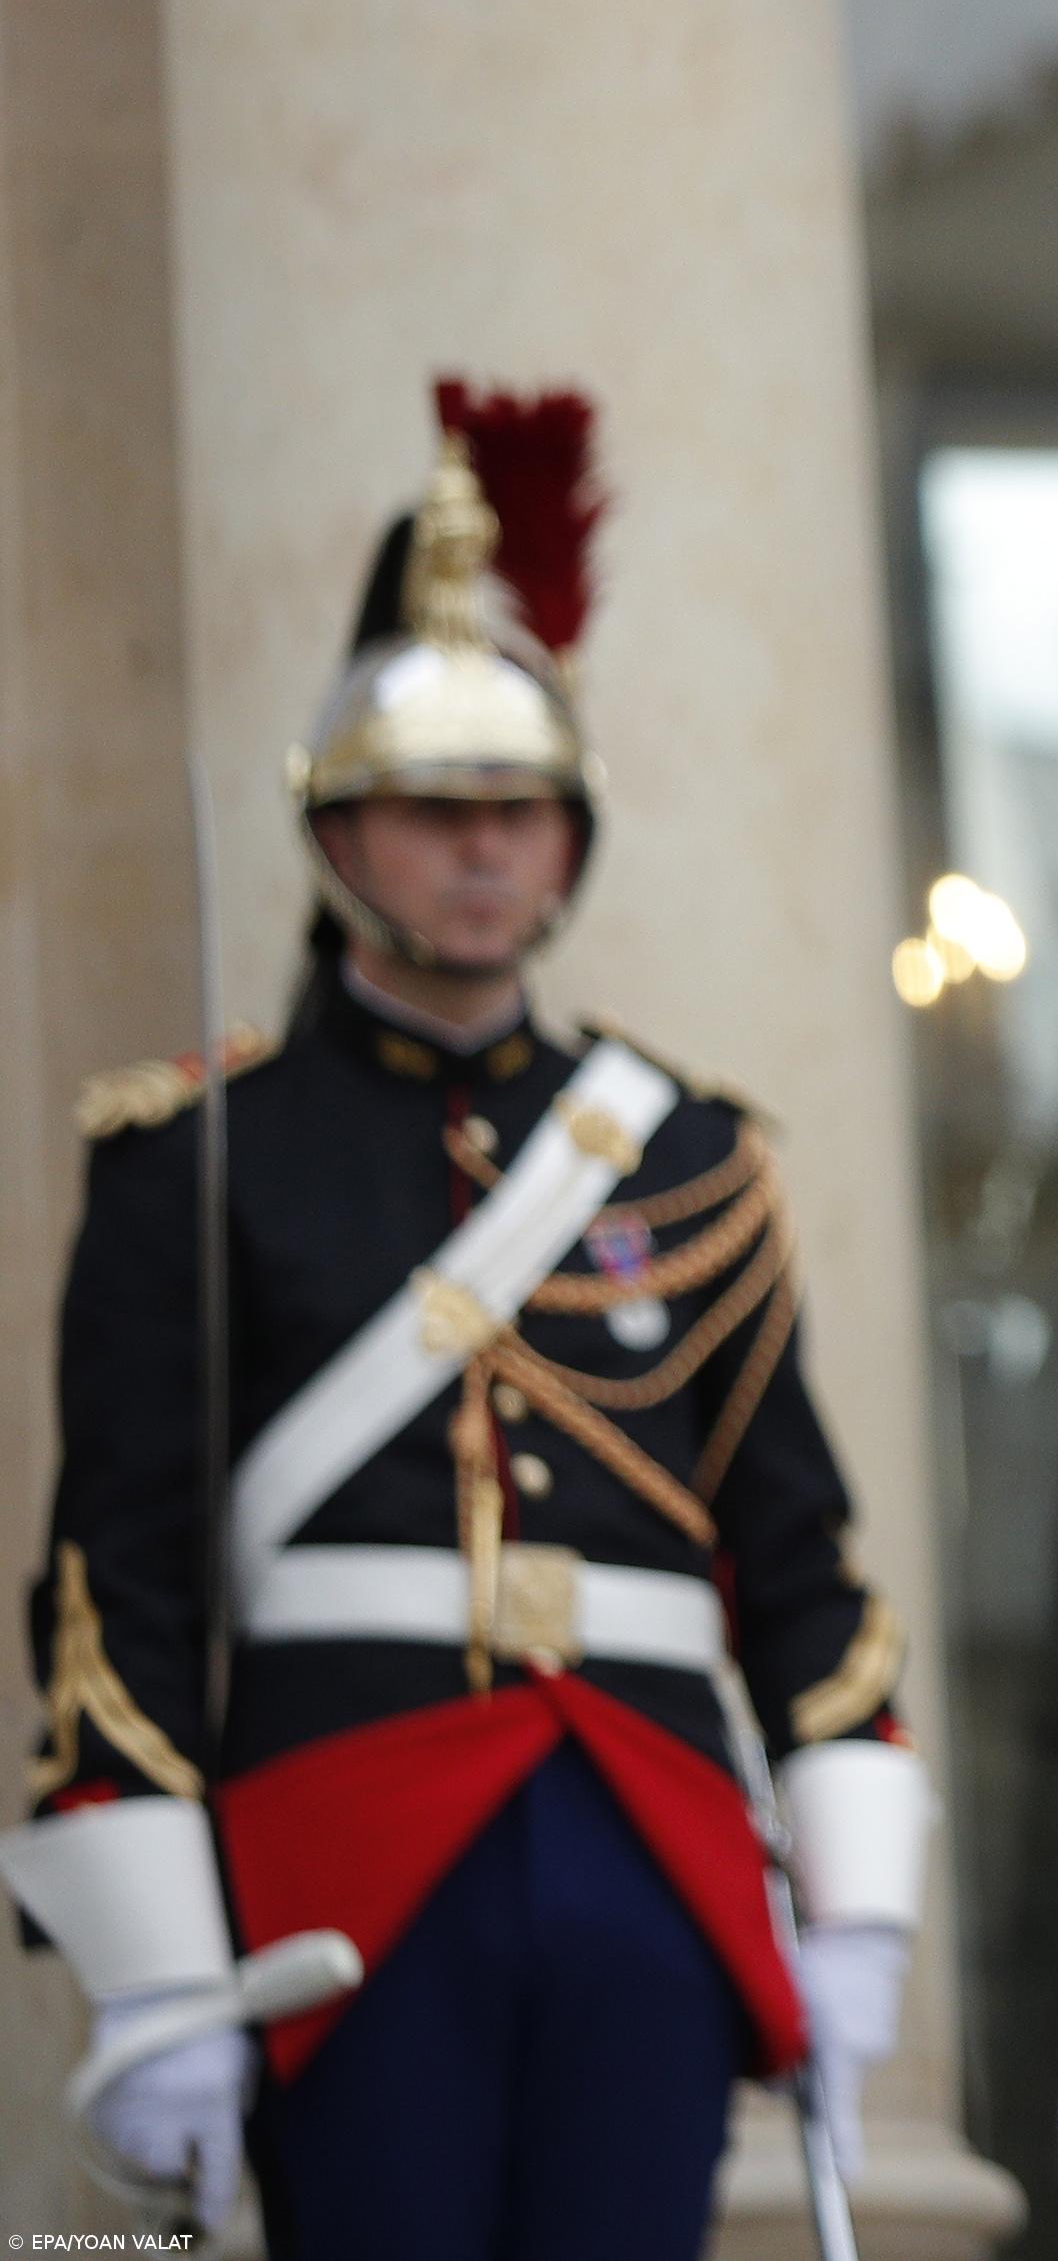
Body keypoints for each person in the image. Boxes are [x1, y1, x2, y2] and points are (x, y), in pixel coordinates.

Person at [3, 392, 935, 2254]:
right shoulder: (194, 1155)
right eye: (437, 814)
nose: (486, 856)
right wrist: (164, 1974)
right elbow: (124, 1586)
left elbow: (797, 1561)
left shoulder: (685, 1155)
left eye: (521, 814)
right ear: (340, 837)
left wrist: (855, 1919)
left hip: (650, 1847)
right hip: (345, 1856)